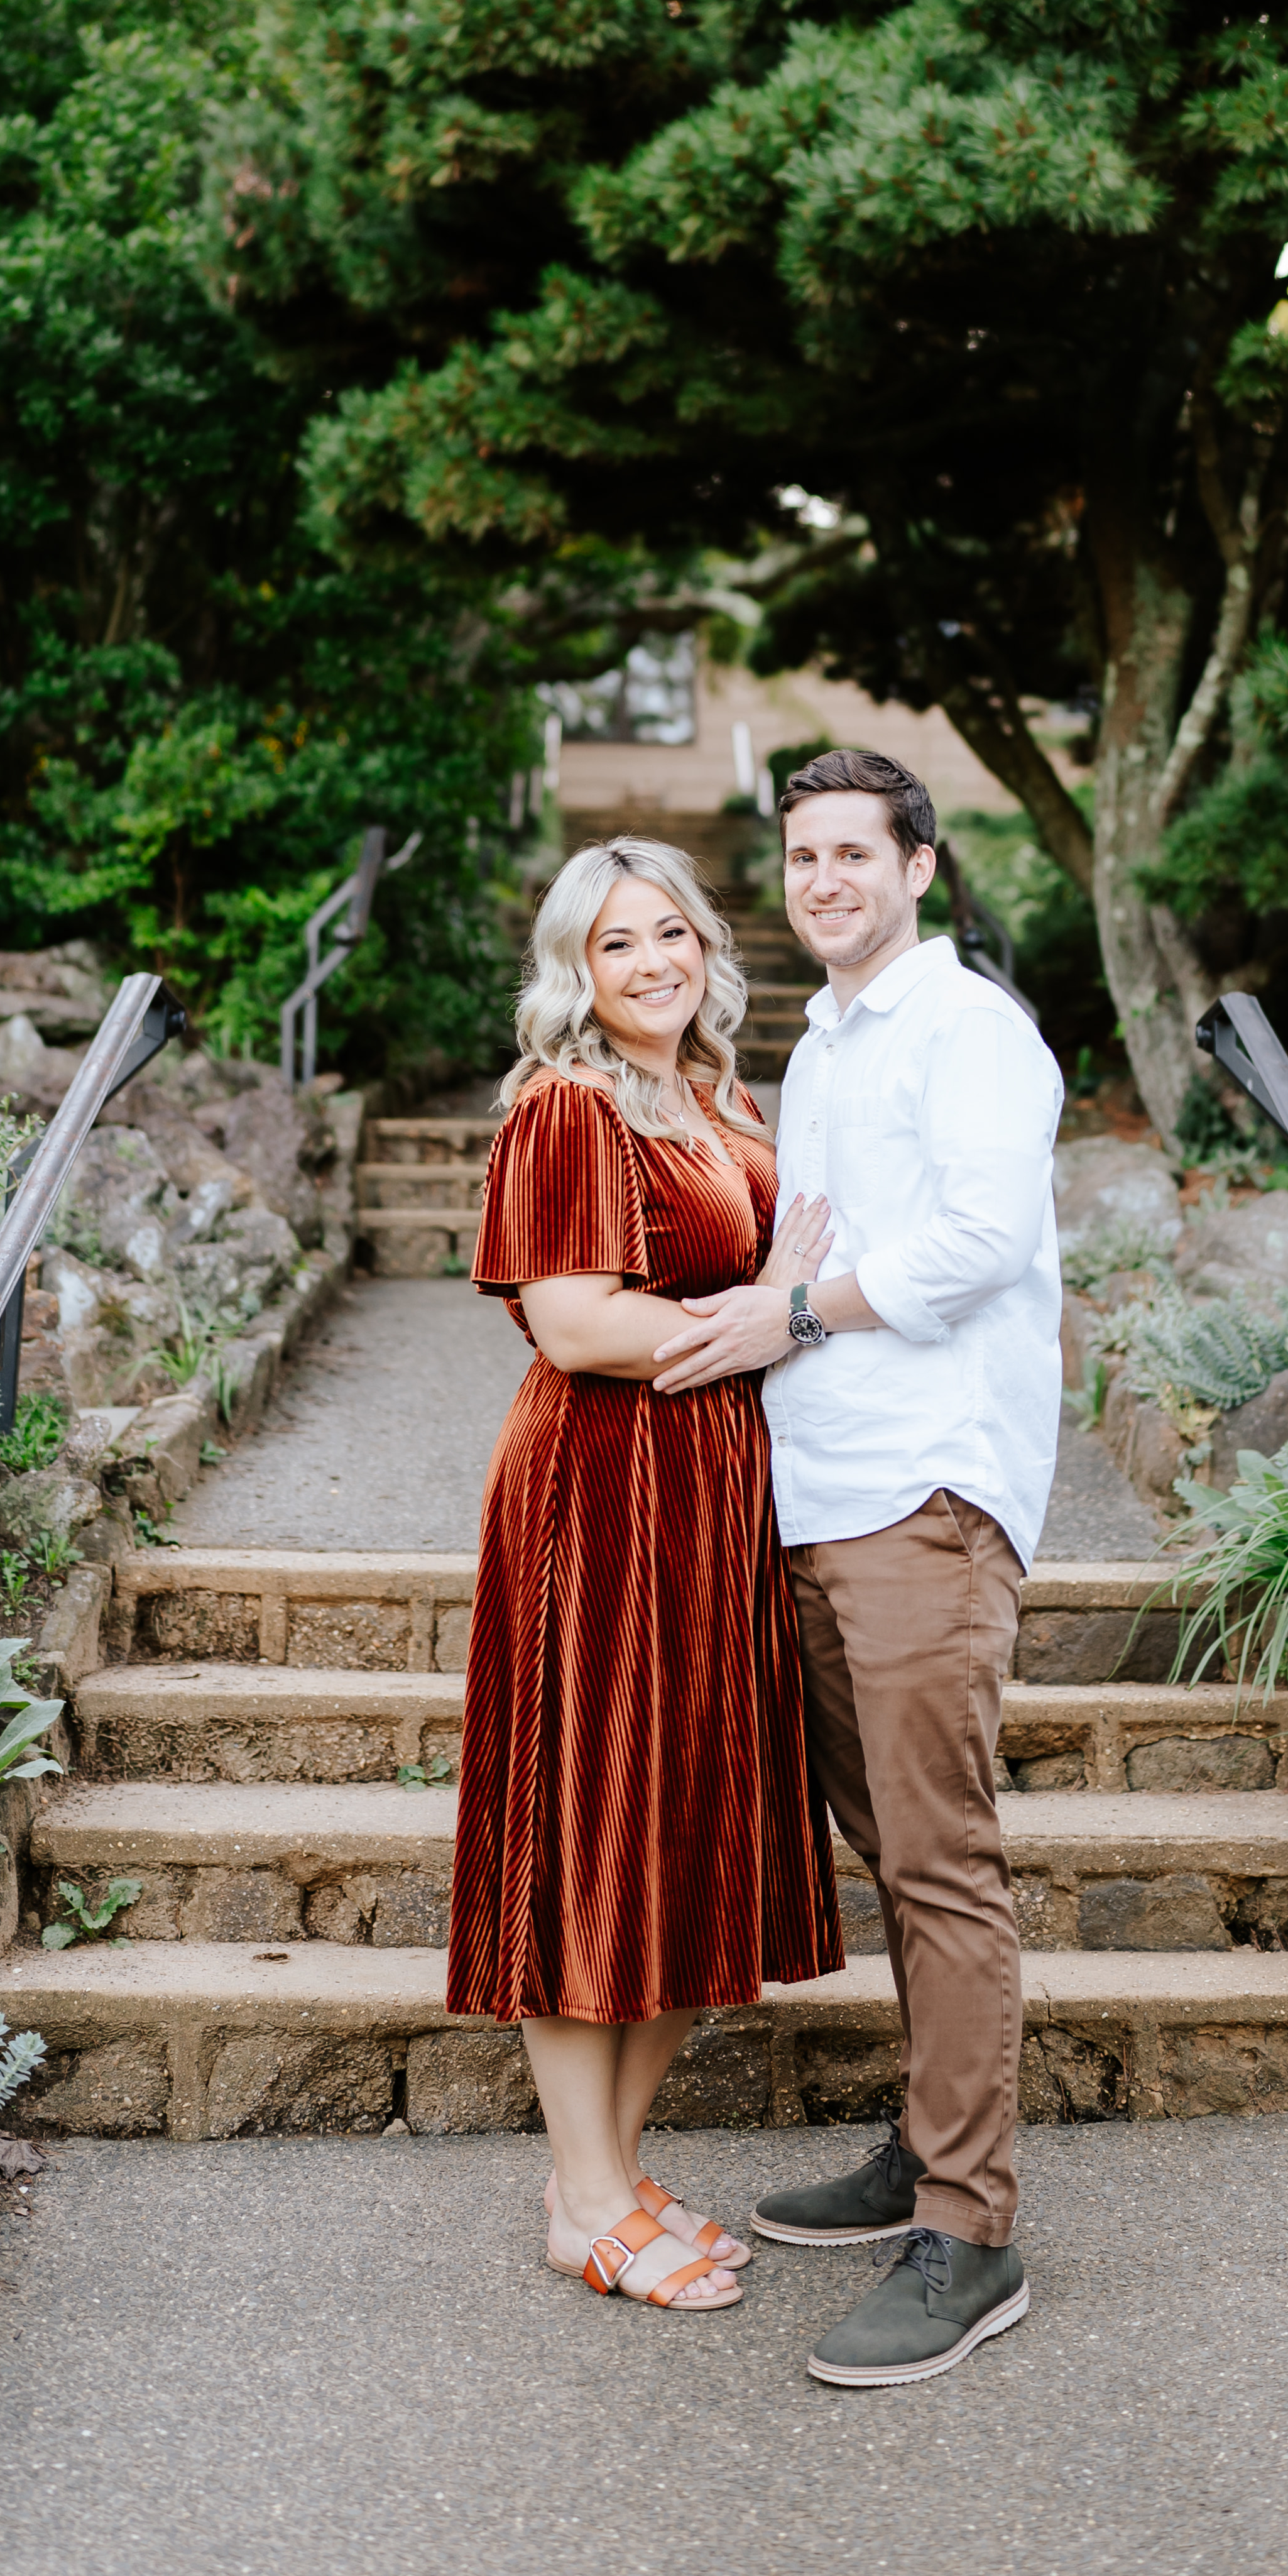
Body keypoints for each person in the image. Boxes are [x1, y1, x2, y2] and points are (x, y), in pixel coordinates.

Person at [647, 748, 1064, 2388]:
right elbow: (804, 1253)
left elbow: (980, 1244)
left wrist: (793, 1313)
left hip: (924, 1497)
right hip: (814, 1493)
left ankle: (969, 2229)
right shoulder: (825, 1038)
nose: (823, 878)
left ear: (920, 865)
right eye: (802, 853)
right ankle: (923, 2136)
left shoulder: (970, 1032)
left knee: (942, 1864)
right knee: (889, 1854)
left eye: (852, 854)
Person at [447, 833, 844, 2315]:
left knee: (691, 1832)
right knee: (586, 1824)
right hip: (599, 1488)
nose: (654, 963)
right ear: (578, 968)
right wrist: (772, 1312)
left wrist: (780, 1310)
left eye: (671, 932)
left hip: (716, 1491)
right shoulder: (566, 1106)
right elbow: (577, 1327)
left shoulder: (718, 1095)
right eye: (618, 944)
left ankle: (591, 2172)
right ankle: (598, 2206)